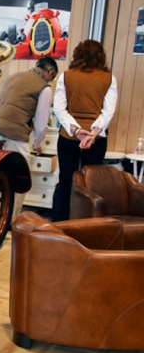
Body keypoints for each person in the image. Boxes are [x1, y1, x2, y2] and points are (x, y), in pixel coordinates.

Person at [52, 39, 118, 222]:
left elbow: (59, 109)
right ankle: (87, 225)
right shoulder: (109, 78)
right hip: (97, 139)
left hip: (68, 137)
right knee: (91, 184)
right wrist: (93, 133)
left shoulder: (66, 76)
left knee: (66, 182)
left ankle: (60, 225)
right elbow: (108, 111)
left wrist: (76, 130)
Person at [0, 56, 59, 219]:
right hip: (14, 134)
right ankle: (9, 221)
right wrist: (37, 143)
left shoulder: (13, 77)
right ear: (50, 72)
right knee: (20, 180)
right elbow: (41, 123)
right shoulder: (44, 88)